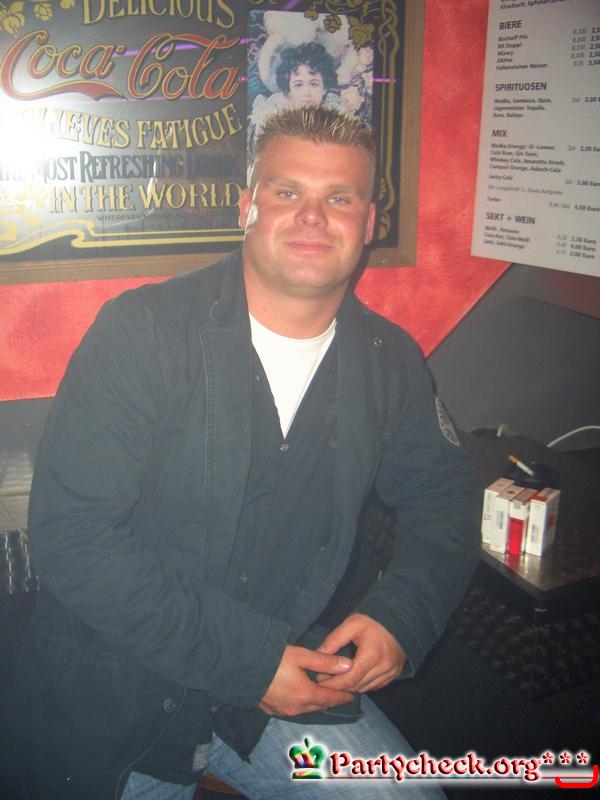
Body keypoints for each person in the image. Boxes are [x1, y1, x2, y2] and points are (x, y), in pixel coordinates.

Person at [0, 106, 481, 800]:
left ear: (369, 223)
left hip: (281, 670)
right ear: (246, 206)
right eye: (287, 191)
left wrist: (401, 614)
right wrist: (249, 663)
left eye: (339, 198)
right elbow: (72, 538)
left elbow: (446, 499)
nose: (312, 216)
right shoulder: (141, 332)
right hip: (118, 685)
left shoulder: (389, 361)